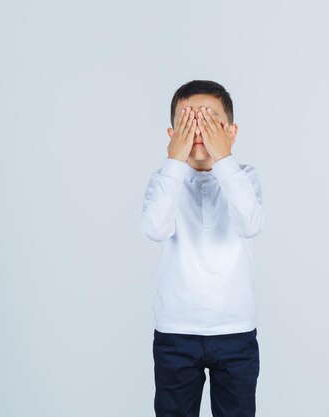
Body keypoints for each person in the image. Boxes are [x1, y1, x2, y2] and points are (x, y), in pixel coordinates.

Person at [140, 80, 265, 417]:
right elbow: (155, 228)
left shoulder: (244, 177)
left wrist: (223, 158)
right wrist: (174, 163)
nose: (198, 131)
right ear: (172, 133)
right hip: (176, 331)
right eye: (188, 122)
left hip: (235, 330)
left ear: (232, 132)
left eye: (209, 121)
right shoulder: (164, 180)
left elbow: (250, 224)